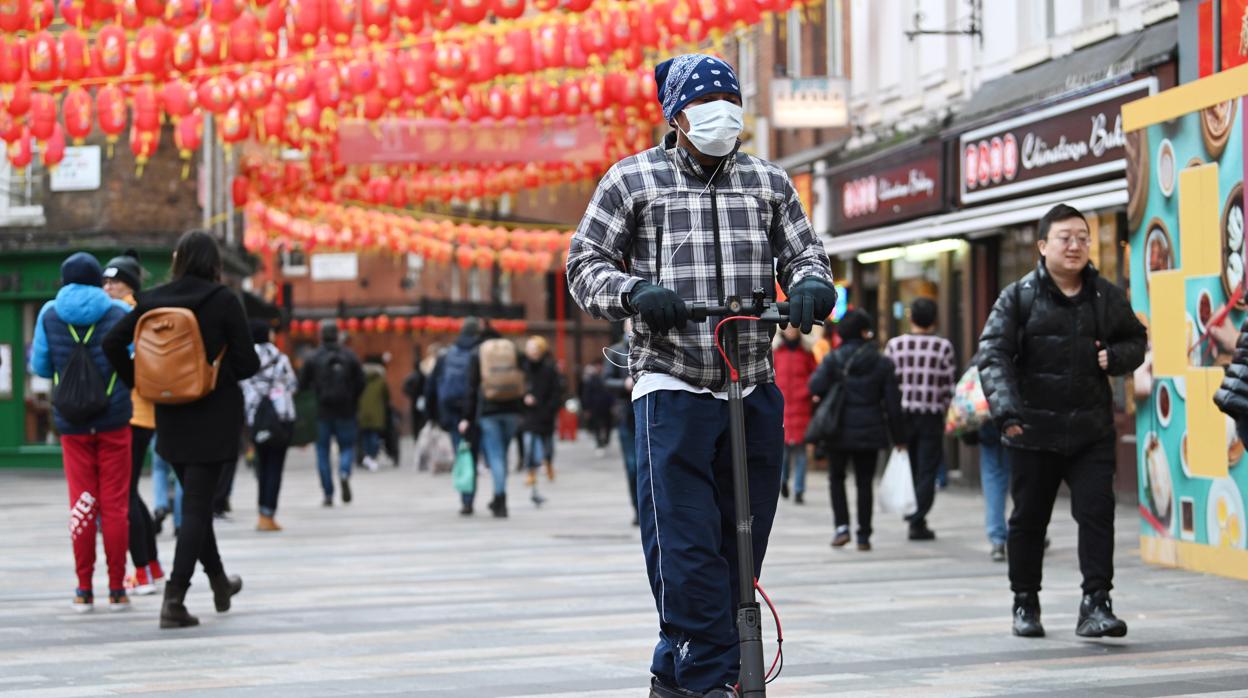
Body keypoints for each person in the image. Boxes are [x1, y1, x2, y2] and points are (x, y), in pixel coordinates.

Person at [565, 53, 837, 698]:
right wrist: (633, 292)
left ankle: (677, 667)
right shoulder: (632, 180)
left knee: (742, 543)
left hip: (751, 381)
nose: (721, 114)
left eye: (729, 101)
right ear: (676, 116)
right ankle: (710, 676)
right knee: (684, 545)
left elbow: (807, 253)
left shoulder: (769, 182)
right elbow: (584, 264)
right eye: (704, 103)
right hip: (672, 380)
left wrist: (810, 286)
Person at [978, 204, 1147, 639]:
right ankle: (1025, 602)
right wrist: (1008, 411)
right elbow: (992, 353)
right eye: (1065, 237)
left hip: (1091, 430)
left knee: (1097, 515)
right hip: (1032, 429)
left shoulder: (1105, 295)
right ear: (1042, 245)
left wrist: (1119, 357)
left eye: (1083, 238)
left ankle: (1096, 603)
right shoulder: (1020, 296)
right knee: (1029, 521)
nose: (1075, 246)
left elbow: (1136, 339)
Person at [103, 230, 260, 629]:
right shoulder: (224, 300)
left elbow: (111, 342)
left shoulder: (153, 299)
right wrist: (215, 369)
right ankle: (174, 599)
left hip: (169, 415)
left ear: (178, 259)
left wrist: (140, 382)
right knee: (195, 508)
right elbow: (248, 364)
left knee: (195, 504)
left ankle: (220, 582)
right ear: (214, 262)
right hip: (214, 415)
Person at [32, 252, 134, 612]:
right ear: (97, 279)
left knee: (82, 503)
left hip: (72, 423)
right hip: (115, 419)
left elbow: (40, 366)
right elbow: (133, 360)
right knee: (116, 505)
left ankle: (83, 588)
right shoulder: (118, 312)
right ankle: (118, 588)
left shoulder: (49, 313)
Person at [809, 310, 903, 551]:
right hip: (870, 430)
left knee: (836, 478)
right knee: (864, 482)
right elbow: (892, 403)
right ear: (865, 332)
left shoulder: (833, 359)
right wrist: (899, 436)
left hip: (837, 428)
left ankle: (841, 527)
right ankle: (863, 535)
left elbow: (815, 385)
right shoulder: (881, 362)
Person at [103, 250, 164, 595]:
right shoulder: (141, 312)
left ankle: (141, 570)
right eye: (106, 281)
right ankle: (151, 566)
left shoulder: (123, 314)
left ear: (130, 285)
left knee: (122, 494)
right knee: (129, 492)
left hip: (131, 412)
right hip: (145, 411)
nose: (108, 288)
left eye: (116, 281)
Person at [884, 297, 957, 541]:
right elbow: (948, 387)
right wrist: (948, 413)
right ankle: (918, 518)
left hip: (902, 416)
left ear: (911, 318)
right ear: (934, 320)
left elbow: (888, 385)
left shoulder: (894, 345)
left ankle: (914, 514)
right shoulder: (943, 347)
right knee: (927, 469)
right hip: (931, 416)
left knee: (910, 466)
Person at [460, 329, 525, 518]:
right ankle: (498, 497)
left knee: (495, 457)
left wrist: (467, 416)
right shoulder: (512, 350)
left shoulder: (478, 353)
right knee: (502, 455)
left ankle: (500, 499)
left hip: (489, 413)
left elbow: (471, 388)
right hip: (512, 411)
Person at [299, 320, 365, 506]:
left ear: (320, 335)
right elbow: (361, 381)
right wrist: (352, 398)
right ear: (338, 335)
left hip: (321, 412)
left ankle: (328, 494)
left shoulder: (312, 358)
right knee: (347, 447)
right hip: (346, 410)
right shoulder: (349, 356)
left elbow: (302, 385)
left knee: (322, 452)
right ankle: (344, 472)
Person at [241, 321, 297, 532]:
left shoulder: (246, 360)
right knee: (275, 466)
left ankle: (261, 514)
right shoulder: (280, 358)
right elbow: (292, 384)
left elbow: (242, 385)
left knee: (261, 466)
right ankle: (268, 514)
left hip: (256, 419)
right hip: (280, 417)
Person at [426, 319, 484, 514]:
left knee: (461, 452)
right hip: (475, 412)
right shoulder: (482, 353)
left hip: (451, 413)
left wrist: (432, 415)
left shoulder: (446, 355)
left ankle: (465, 499)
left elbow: (431, 387)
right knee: (472, 454)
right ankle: (470, 497)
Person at [773, 325, 816, 504]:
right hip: (782, 406)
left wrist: (808, 392)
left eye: (794, 328)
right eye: (788, 328)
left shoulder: (806, 352)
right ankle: (783, 481)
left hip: (801, 406)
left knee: (800, 451)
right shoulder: (776, 352)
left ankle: (799, 489)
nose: (791, 331)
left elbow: (815, 375)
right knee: (783, 451)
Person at [602, 321, 639, 524]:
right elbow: (606, 380)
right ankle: (638, 509)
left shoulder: (654, 347)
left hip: (651, 411)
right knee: (633, 466)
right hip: (626, 413)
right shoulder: (616, 352)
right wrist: (624, 384)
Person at [520, 336, 560, 487]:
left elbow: (556, 392)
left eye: (535, 349)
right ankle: (530, 471)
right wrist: (524, 398)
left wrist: (550, 408)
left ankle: (548, 463)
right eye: (530, 348)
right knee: (529, 444)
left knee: (547, 445)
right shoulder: (523, 368)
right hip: (529, 413)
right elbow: (518, 388)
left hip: (545, 413)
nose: (532, 352)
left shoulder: (549, 368)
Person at [357, 354, 390, 472]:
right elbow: (387, 396)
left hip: (362, 411)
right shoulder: (381, 381)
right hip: (377, 412)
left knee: (365, 435)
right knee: (374, 435)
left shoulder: (359, 379)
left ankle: (367, 456)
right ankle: (373, 456)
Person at [580, 363, 614, 455]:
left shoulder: (606, 378)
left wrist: (613, 405)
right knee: (597, 426)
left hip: (606, 406)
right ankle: (599, 443)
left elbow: (611, 392)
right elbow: (586, 394)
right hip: (595, 407)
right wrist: (587, 408)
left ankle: (606, 441)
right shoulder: (591, 379)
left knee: (608, 425)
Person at [402, 348, 428, 453]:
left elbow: (405, 389)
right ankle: (420, 438)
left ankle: (417, 438)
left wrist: (412, 395)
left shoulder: (412, 377)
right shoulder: (423, 376)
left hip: (415, 402)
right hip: (422, 402)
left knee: (416, 422)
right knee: (422, 422)